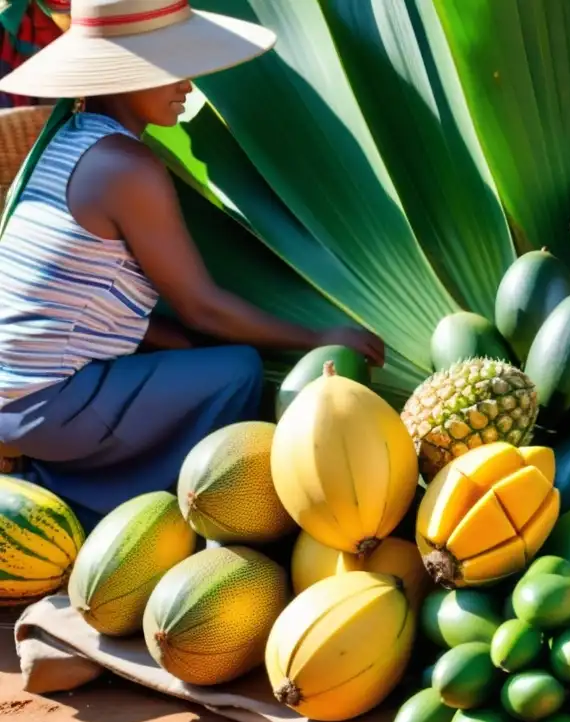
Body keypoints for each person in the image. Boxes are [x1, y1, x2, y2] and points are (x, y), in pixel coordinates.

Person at [0, 0, 385, 531]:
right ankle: (105, 509)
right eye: (170, 64)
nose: (188, 81)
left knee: (192, 353)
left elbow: (84, 310)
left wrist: (175, 342)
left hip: (19, 396)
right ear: (119, 73)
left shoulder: (67, 140)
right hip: (48, 408)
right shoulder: (126, 167)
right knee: (237, 372)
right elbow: (202, 308)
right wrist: (318, 334)